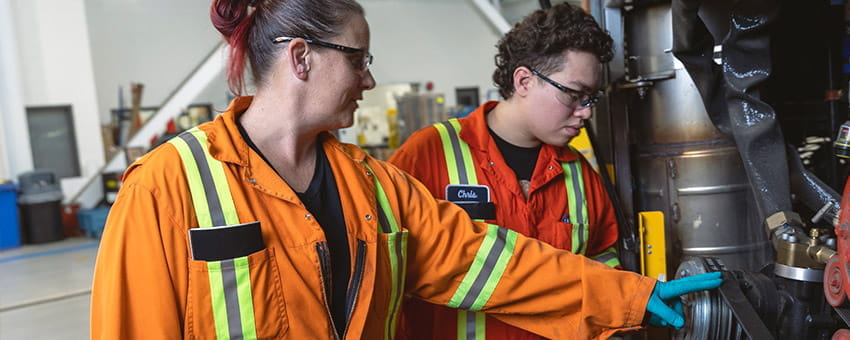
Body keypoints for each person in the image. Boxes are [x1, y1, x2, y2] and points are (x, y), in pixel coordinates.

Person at [90, 0, 721, 339]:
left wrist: (631, 295)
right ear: (303, 58)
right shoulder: (167, 188)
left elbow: (497, 264)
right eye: (358, 59)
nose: (369, 78)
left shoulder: (376, 187)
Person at [387, 3, 628, 339]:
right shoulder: (428, 155)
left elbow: (604, 270)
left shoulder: (580, 175)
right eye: (574, 95)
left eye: (590, 98)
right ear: (524, 80)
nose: (585, 112)